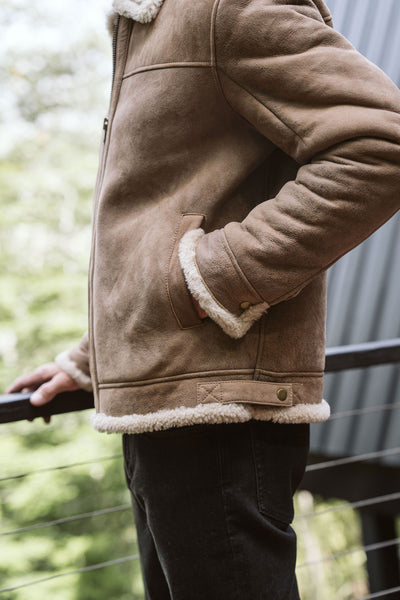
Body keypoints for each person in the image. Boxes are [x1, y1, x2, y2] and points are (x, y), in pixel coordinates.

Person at [6, 0, 400, 597]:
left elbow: (381, 145)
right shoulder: (150, 21)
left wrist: (216, 278)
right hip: (163, 397)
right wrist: (91, 360)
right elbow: (157, 218)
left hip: (217, 408)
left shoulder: (228, 5)